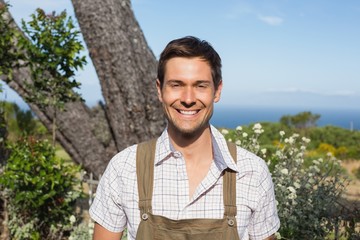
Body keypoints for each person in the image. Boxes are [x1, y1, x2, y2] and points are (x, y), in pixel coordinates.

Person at [89, 36, 280, 240]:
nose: (188, 99)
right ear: (159, 90)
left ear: (217, 90)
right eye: (176, 85)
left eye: (200, 86)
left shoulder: (253, 172)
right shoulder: (124, 168)